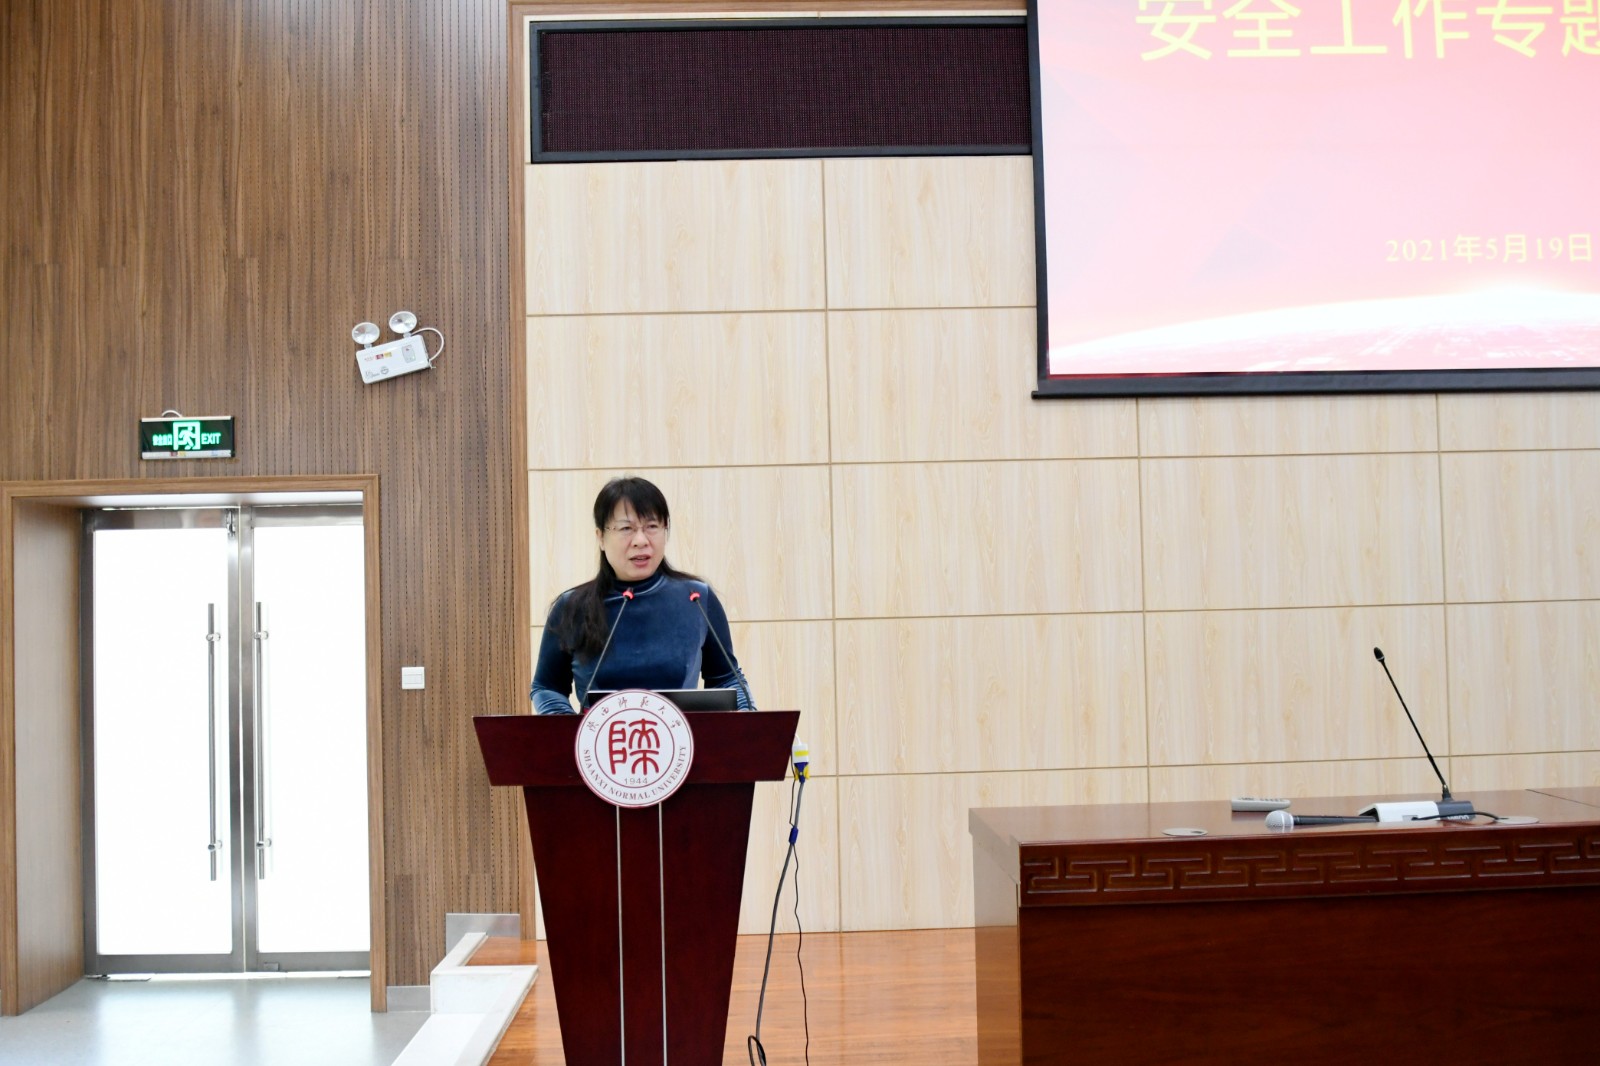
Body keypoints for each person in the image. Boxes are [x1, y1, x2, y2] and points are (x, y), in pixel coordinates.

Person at [530, 476, 753, 714]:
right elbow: (547, 687)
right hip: (601, 738)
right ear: (600, 537)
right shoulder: (572, 607)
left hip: (681, 737)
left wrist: (748, 719)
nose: (641, 540)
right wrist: (569, 729)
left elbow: (726, 679)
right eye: (626, 528)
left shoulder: (696, 598)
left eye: (652, 527)